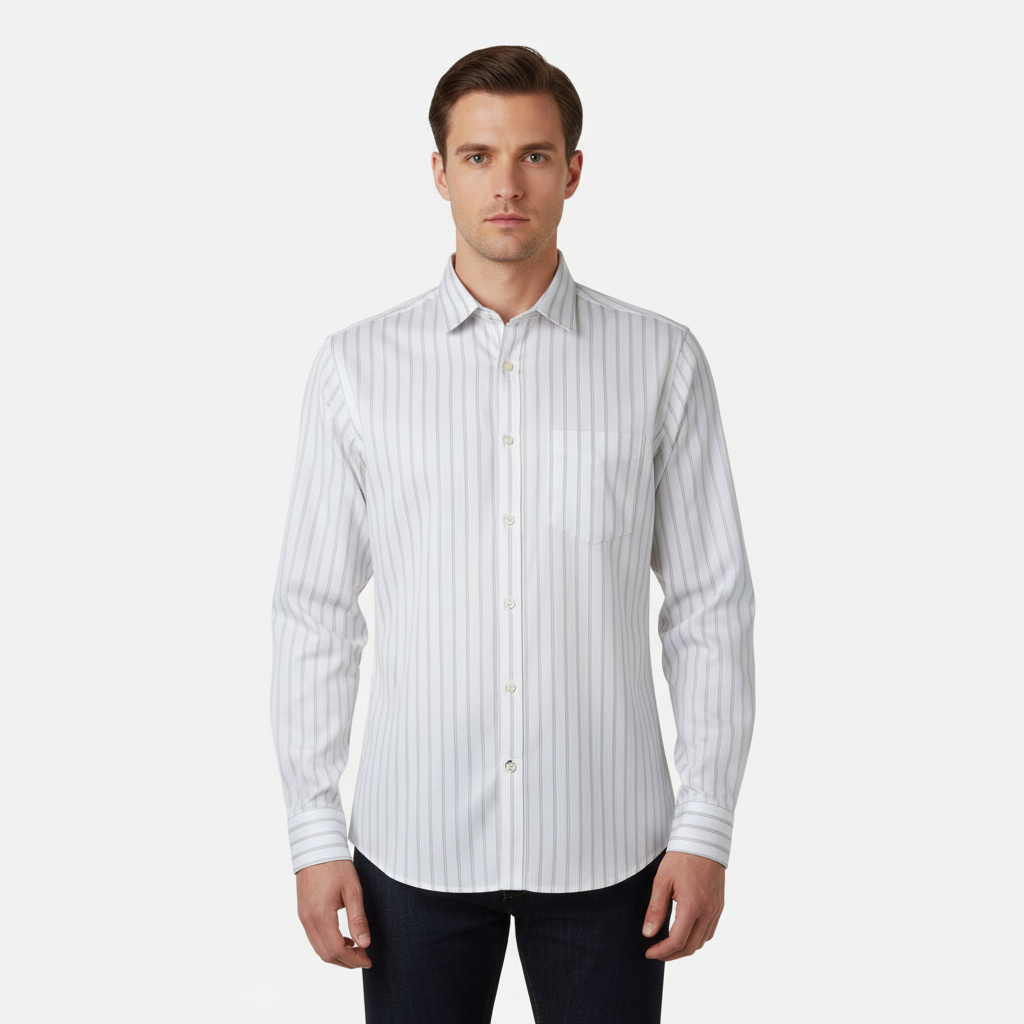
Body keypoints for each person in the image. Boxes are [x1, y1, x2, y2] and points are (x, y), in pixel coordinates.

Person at [270, 44, 755, 1024]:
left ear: (572, 171)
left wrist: (704, 823)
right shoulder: (356, 370)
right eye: (479, 156)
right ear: (439, 171)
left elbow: (710, 605)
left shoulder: (659, 361)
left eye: (533, 155)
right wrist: (314, 833)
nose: (507, 184)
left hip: (611, 850)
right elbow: (315, 612)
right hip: (411, 851)